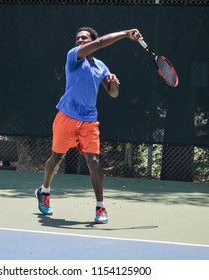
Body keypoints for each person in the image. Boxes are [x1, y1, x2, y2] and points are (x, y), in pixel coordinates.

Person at [35, 27, 143, 224]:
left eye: (84, 38)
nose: (80, 41)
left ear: (91, 39)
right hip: (67, 115)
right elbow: (101, 43)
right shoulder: (73, 56)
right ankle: (45, 191)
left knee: (93, 162)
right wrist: (126, 33)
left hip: (89, 120)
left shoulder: (101, 66)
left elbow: (113, 94)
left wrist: (113, 83)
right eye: (78, 38)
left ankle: (100, 207)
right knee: (57, 157)